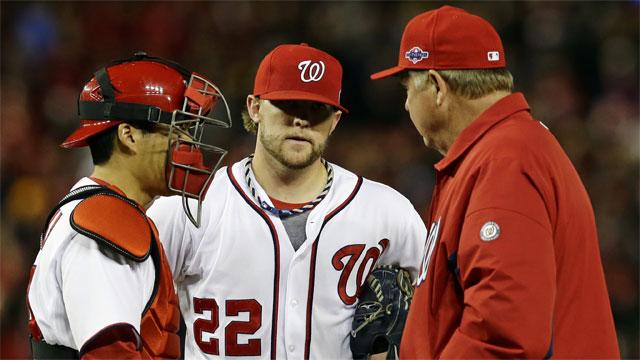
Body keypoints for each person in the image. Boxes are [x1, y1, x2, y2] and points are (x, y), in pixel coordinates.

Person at [147, 43, 426, 359]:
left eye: (316, 110)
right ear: (255, 108)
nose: (301, 121)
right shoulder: (189, 209)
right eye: (288, 105)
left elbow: (440, 313)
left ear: (335, 120)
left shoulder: (387, 213)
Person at [370, 5, 620, 358]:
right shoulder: (502, 150)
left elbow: (503, 334)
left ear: (438, 87)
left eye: (408, 89)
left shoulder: (505, 161)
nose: (407, 105)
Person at [26, 52, 231, 358]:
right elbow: (109, 353)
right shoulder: (105, 225)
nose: (190, 146)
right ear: (129, 136)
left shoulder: (94, 207)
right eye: (179, 131)